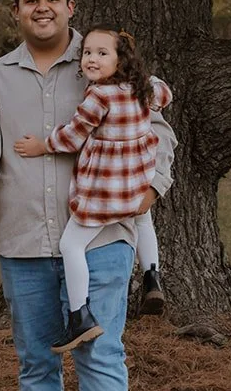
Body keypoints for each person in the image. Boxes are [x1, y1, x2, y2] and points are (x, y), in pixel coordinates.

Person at [0, 0, 176, 391]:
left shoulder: (103, 62)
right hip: (23, 238)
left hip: (101, 234)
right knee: (35, 359)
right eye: (30, 1)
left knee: (100, 350)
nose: (42, 8)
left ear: (71, 6)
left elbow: (158, 128)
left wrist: (152, 188)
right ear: (16, 11)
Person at [14, 26, 172, 352]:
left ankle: (79, 315)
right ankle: (152, 277)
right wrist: (152, 81)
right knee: (143, 221)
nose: (92, 59)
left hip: (104, 193)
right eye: (87, 53)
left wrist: (43, 144)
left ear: (120, 60)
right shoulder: (145, 90)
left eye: (102, 54)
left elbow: (74, 135)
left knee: (72, 245)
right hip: (135, 187)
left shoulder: (100, 96)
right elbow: (165, 93)